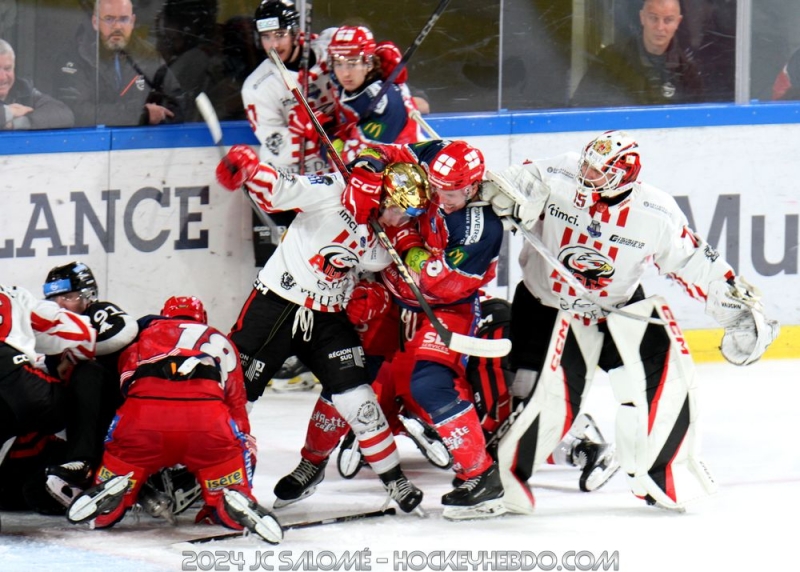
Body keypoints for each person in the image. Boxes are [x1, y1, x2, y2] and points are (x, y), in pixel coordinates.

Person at [481, 129, 780, 514]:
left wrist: (736, 309)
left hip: (615, 311)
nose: (586, 173)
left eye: (597, 171)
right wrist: (501, 195)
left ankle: (662, 477)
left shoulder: (656, 213)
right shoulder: (558, 173)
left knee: (669, 385)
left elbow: (695, 263)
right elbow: (508, 183)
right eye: (586, 163)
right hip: (545, 307)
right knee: (532, 397)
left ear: (623, 177)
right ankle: (505, 479)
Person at [215, 144, 426, 514]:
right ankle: (215, 477)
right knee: (236, 393)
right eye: (401, 209)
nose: (402, 219)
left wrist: (368, 293)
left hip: (328, 317)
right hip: (275, 305)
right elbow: (282, 187)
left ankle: (394, 479)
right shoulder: (334, 189)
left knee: (356, 396)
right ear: (385, 194)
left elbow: (373, 277)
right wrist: (248, 169)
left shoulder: (386, 238)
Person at [331, 139, 507, 520]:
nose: (442, 197)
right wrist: (369, 164)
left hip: (445, 309)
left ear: (473, 186)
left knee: (430, 384)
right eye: (437, 186)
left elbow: (437, 282)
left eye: (453, 191)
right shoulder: (438, 154)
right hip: (394, 296)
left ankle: (481, 476)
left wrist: (405, 239)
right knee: (353, 367)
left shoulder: (480, 227)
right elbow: (389, 150)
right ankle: (333, 447)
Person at [65, 296, 283, 544]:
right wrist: (240, 461)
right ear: (203, 318)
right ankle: (229, 497)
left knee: (122, 457)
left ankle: (112, 497)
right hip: (207, 422)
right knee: (231, 466)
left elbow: (125, 387)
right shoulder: (223, 342)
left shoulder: (146, 334)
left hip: (144, 419)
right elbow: (237, 409)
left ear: (164, 314)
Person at [37, 262, 138, 510]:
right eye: (54, 298)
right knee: (33, 496)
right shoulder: (53, 331)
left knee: (87, 372)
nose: (60, 305)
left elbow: (125, 332)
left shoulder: (98, 312)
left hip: (116, 411)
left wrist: (74, 353)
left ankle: (82, 461)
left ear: (89, 296)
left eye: (69, 297)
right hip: (78, 424)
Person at [0, 283, 97, 517]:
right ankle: (83, 465)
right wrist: (69, 359)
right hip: (15, 380)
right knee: (90, 374)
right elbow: (84, 335)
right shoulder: (12, 295)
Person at [56, 0, 184, 127]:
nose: (117, 27)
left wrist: (156, 116)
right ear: (95, 22)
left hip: (143, 143)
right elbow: (75, 112)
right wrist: (141, 115)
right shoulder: (74, 58)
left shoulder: (148, 56)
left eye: (123, 19)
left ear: (132, 22)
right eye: (109, 19)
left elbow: (176, 106)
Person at [570, 0, 705, 107]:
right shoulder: (612, 59)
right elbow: (580, 107)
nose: (660, 27)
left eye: (668, 20)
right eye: (653, 18)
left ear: (678, 22)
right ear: (642, 17)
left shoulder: (687, 70)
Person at [327, 25, 423, 163]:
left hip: (400, 174)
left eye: (352, 63)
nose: (345, 73)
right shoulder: (344, 82)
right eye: (338, 63)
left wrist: (324, 140)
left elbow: (359, 162)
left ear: (369, 63)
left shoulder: (385, 103)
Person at [0, 38, 74, 129]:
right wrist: (9, 112)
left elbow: (64, 113)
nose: (2, 77)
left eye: (7, 69)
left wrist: (18, 123)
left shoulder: (23, 90)